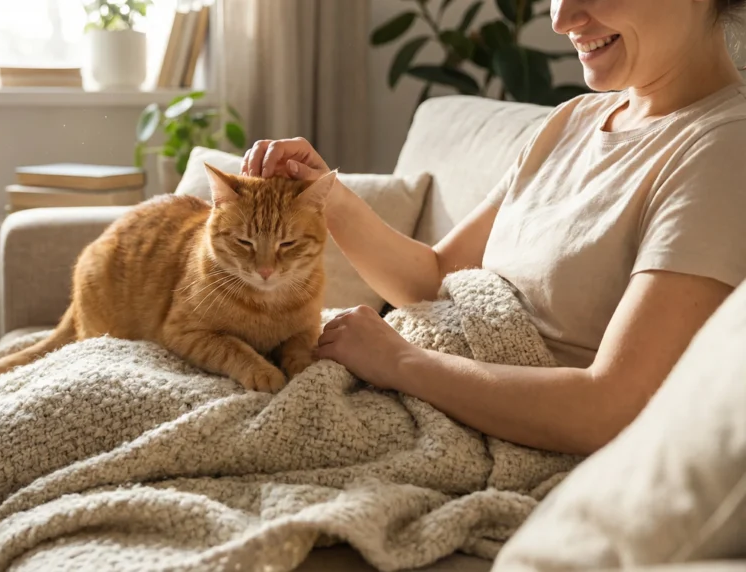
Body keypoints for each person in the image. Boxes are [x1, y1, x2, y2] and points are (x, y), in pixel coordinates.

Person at [241, 0, 746, 456]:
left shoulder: (723, 149)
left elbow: (609, 409)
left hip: (491, 435)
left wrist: (399, 363)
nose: (561, 19)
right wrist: (326, 197)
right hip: (418, 379)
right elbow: (434, 277)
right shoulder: (573, 120)